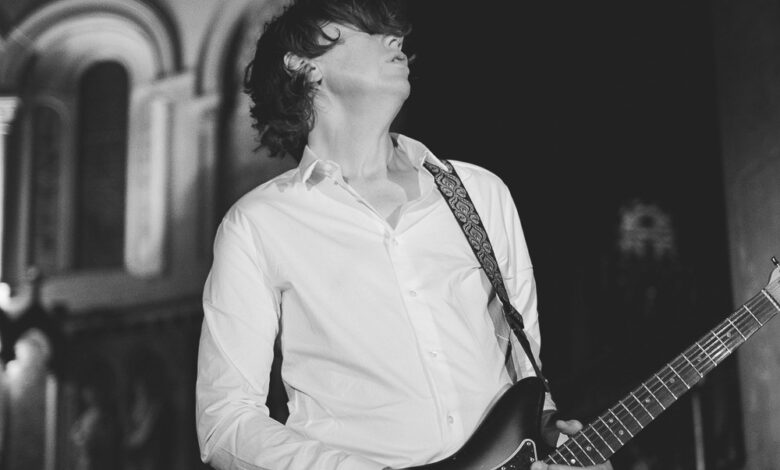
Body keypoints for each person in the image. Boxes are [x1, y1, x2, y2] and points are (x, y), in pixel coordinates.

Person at [195, 1, 613, 469]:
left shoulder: (479, 192)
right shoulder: (258, 224)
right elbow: (225, 421)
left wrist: (551, 432)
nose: (395, 38)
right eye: (367, 28)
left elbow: (525, 370)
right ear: (304, 65)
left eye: (393, 30)